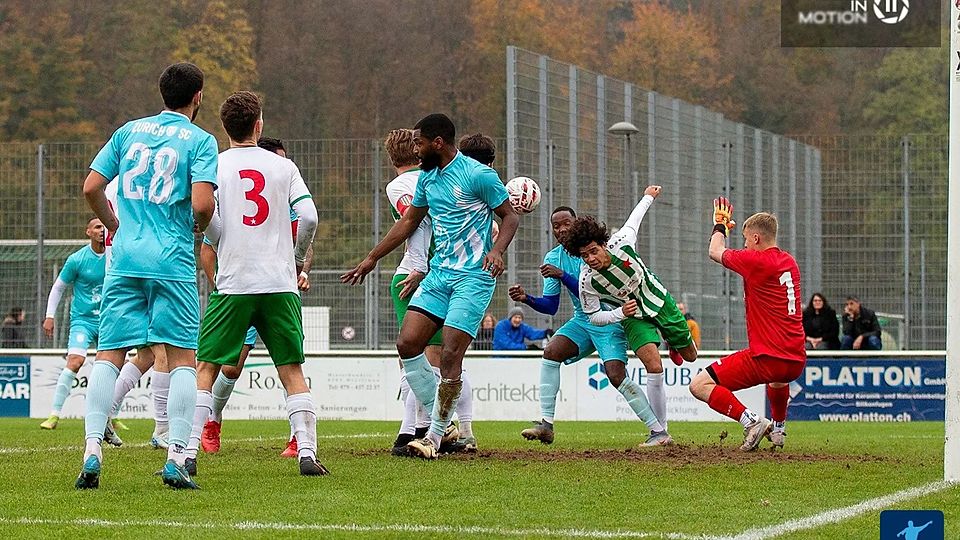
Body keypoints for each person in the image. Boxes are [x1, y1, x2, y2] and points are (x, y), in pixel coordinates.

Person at [342, 113, 520, 459]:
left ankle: (434, 437)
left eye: (419, 142)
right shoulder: (427, 179)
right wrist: (372, 257)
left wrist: (497, 252)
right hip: (438, 275)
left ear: (438, 143)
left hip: (473, 278)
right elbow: (409, 222)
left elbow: (510, 215)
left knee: (451, 354)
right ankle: (445, 421)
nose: (415, 149)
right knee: (407, 343)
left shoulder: (479, 175)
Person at [76, 62, 217, 490]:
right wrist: (195, 227)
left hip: (126, 261)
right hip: (171, 261)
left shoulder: (128, 131)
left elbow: (90, 188)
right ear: (197, 97)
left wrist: (114, 224)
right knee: (181, 359)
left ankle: (91, 451)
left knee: (110, 354)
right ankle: (176, 455)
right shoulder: (201, 140)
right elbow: (202, 205)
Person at [185, 91, 327, 477]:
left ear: (224, 127)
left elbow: (204, 214)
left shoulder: (214, 165)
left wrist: (222, 234)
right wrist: (297, 260)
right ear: (258, 125)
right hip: (279, 283)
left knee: (207, 367)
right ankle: (308, 454)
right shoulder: (284, 168)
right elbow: (310, 217)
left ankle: (189, 452)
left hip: (233, 282)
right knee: (291, 368)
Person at [511, 206, 670, 446]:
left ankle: (658, 432)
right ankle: (546, 425)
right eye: (556, 226)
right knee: (551, 352)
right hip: (582, 321)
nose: (562, 229)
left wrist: (563, 275)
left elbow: (592, 290)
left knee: (616, 376)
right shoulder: (553, 258)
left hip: (610, 319)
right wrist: (527, 299)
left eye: (567, 224)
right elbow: (551, 307)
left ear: (576, 225)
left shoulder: (593, 252)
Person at [198, 135, 313, 459]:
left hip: (251, 285)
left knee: (207, 366)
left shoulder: (220, 169)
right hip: (262, 285)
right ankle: (214, 421)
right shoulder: (278, 175)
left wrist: (301, 268)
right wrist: (216, 280)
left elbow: (303, 233)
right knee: (236, 368)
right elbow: (208, 251)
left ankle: (185, 450)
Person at [559, 186, 695, 444]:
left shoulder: (622, 242)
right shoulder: (586, 281)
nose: (590, 259)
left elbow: (636, 217)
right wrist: (620, 313)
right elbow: (594, 317)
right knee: (654, 367)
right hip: (633, 316)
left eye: (593, 251)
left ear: (603, 244)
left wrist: (648, 196)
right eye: (584, 255)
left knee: (690, 356)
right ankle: (660, 432)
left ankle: (674, 344)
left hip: (659, 300)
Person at [381, 128, 475, 456]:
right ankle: (425, 431)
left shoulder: (409, 183)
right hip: (438, 274)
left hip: (426, 274)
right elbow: (422, 221)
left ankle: (423, 430)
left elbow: (417, 223)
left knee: (420, 361)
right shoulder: (433, 181)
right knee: (436, 360)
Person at [689, 197, 806, 451]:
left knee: (699, 385)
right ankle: (778, 428)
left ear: (756, 239)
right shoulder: (789, 263)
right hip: (795, 360)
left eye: (745, 239)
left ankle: (750, 421)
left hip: (767, 358)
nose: (743, 245)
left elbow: (714, 251)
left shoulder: (757, 261)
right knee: (778, 380)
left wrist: (719, 226)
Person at [39, 218, 106, 430]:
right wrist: (50, 315)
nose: (102, 230)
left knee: (111, 366)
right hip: (83, 321)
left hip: (108, 320)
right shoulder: (77, 259)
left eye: (104, 226)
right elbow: (59, 287)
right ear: (88, 232)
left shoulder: (116, 257)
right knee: (75, 361)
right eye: (97, 227)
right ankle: (54, 415)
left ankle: (111, 416)